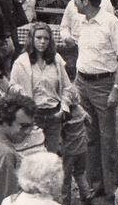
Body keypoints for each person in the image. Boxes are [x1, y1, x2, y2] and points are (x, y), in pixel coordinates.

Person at [70, 0, 118, 201]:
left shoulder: (110, 22)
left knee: (106, 137)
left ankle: (114, 187)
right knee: (89, 136)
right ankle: (96, 184)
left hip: (104, 84)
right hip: (82, 81)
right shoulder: (81, 22)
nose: (74, 2)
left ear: (86, 1)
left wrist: (116, 88)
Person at [11, 23, 73, 154]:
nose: (42, 42)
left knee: (51, 156)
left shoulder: (56, 60)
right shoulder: (21, 62)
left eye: (46, 38)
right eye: (38, 38)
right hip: (33, 114)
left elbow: (67, 87)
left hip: (53, 114)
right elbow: (12, 87)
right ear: (31, 39)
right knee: (33, 155)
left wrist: (64, 107)